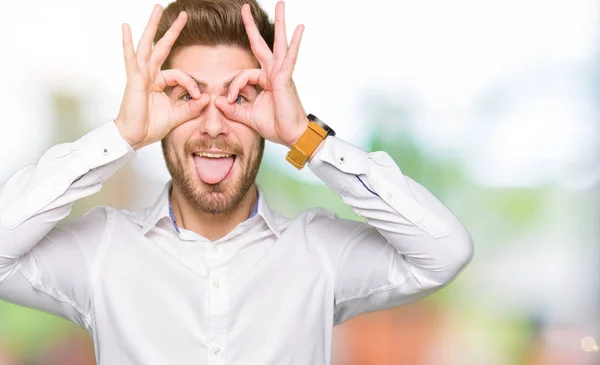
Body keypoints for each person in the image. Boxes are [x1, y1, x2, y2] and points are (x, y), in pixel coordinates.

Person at [0, 0, 473, 364]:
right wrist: (121, 136)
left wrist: (304, 136)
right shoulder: (102, 250)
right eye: (185, 95)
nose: (211, 126)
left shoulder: (319, 253)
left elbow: (445, 251)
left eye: (240, 96)